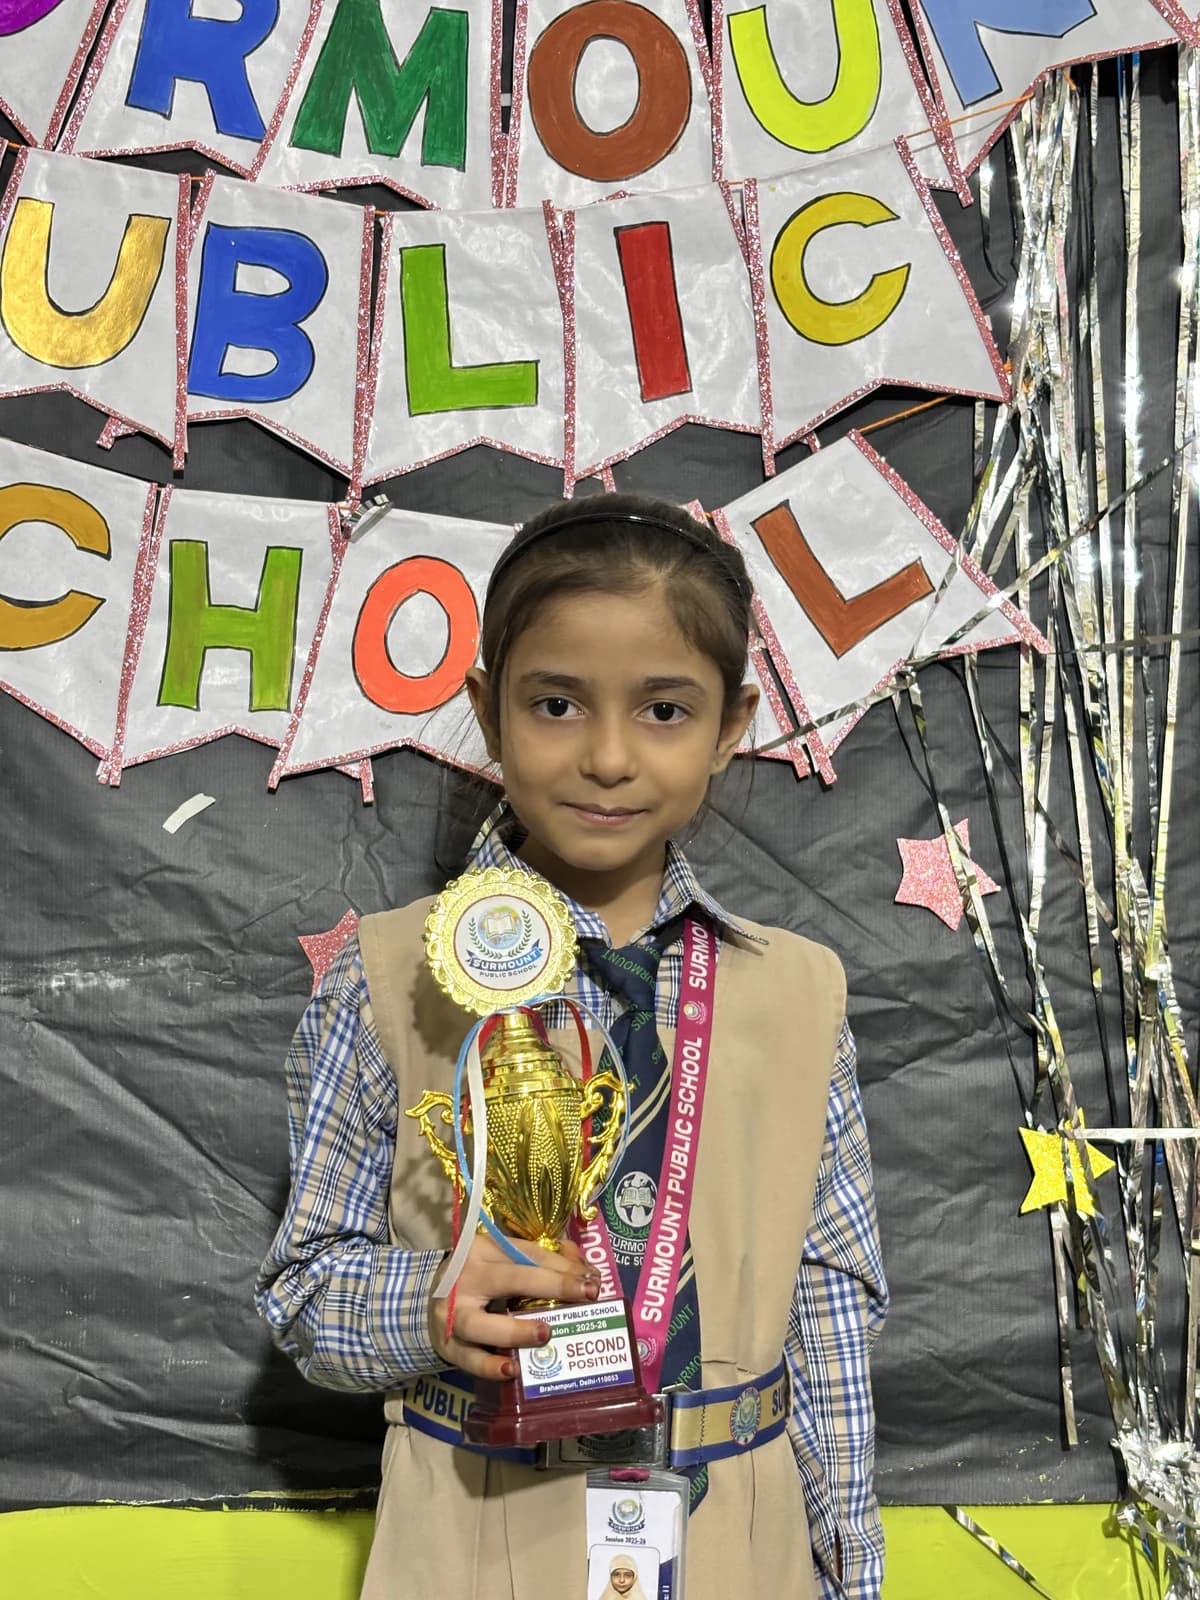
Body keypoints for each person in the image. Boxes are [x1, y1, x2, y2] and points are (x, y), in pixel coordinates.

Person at [256, 494, 888, 1600]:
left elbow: (829, 1317)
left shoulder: (801, 994)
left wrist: (852, 1572)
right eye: (556, 703)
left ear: (730, 726)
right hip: (472, 1534)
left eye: (663, 710)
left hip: (742, 1543)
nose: (606, 756)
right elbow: (307, 1299)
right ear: (487, 709)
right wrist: (430, 1305)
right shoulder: (385, 974)